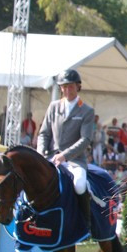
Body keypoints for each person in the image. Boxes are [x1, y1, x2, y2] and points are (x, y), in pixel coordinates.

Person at [37, 69, 96, 233]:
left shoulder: (86, 111)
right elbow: (44, 133)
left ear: (78, 87)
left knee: (79, 185)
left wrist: (65, 155)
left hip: (74, 160)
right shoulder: (53, 107)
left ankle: (86, 224)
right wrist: (41, 153)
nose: (67, 90)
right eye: (64, 87)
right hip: (50, 157)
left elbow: (85, 140)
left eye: (70, 86)